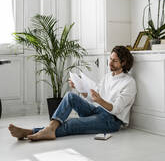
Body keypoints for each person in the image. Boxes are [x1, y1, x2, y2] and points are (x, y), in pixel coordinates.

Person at [8, 46, 137, 141]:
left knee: (72, 123)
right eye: (110, 59)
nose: (110, 63)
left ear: (124, 62)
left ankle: (30, 132)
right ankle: (50, 129)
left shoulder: (129, 83)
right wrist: (81, 89)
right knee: (70, 96)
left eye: (114, 61)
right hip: (98, 110)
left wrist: (99, 101)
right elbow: (93, 99)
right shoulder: (108, 76)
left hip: (111, 121)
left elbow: (117, 109)